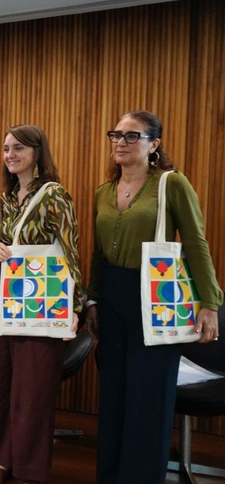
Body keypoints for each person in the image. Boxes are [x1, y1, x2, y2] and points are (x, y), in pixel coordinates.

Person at [85, 110, 222, 484]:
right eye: (116, 135)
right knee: (114, 396)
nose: (121, 142)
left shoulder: (171, 184)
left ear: (154, 145)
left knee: (149, 398)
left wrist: (210, 303)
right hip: (111, 298)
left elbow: (195, 243)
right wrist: (92, 299)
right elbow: (98, 252)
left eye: (133, 136)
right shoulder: (103, 191)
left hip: (155, 297)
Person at [0, 125, 83, 484]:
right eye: (6, 148)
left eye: (18, 148)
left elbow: (70, 251)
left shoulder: (55, 195)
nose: (10, 154)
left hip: (43, 301)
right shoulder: (9, 196)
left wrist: (75, 307)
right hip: (7, 298)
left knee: (33, 388)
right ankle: (3, 459)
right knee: (2, 381)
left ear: (37, 151)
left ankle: (29, 469)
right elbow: (8, 243)